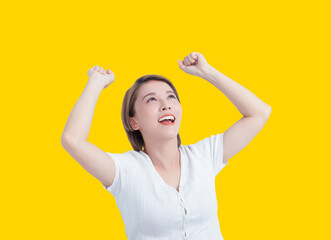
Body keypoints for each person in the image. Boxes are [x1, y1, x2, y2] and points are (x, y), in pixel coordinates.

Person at [61, 52, 272, 240]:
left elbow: (259, 113)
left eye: (171, 96)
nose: (166, 104)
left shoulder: (204, 156)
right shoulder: (124, 171)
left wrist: (207, 72)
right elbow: (73, 140)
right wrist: (96, 82)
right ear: (133, 121)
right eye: (151, 100)